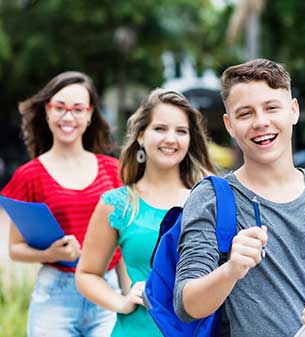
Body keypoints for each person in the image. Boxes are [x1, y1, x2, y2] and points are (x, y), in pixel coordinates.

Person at [173, 58, 305, 336]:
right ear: (229, 125)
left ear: (293, 111)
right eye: (245, 114)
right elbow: (187, 304)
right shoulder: (211, 198)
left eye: (271, 108)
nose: (261, 122)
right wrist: (231, 269)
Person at [75, 89, 216, 337]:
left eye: (181, 131)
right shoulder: (118, 204)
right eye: (160, 129)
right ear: (141, 136)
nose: (171, 139)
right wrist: (121, 301)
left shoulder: (208, 200)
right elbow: (87, 274)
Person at [1, 71, 123, 336]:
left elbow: (123, 242)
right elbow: (15, 249)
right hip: (55, 295)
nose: (68, 117)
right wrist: (51, 254)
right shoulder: (29, 175)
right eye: (60, 107)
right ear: (47, 111)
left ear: (90, 114)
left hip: (107, 291)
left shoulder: (114, 171)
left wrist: (129, 297)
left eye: (78, 109)